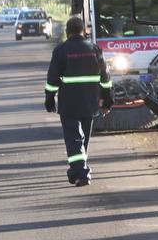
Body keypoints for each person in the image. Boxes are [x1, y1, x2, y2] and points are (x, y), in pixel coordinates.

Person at [45, 16, 112, 187]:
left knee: (74, 139)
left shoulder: (61, 50)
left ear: (67, 32)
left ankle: (81, 172)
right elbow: (105, 78)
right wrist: (107, 101)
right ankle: (77, 170)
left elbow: (52, 79)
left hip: (69, 103)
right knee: (83, 139)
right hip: (90, 103)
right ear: (84, 31)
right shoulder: (95, 49)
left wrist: (50, 98)